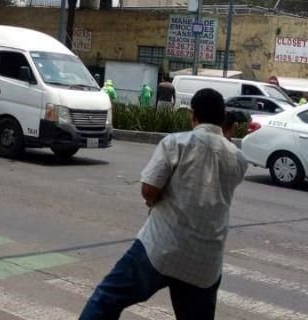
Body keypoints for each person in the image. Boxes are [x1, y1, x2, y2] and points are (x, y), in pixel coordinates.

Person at [79, 88, 248, 320]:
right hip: (205, 261)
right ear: (223, 117)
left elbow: (149, 189)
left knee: (106, 299)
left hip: (160, 247)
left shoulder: (176, 144)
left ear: (193, 116)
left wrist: (154, 199)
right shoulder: (238, 158)